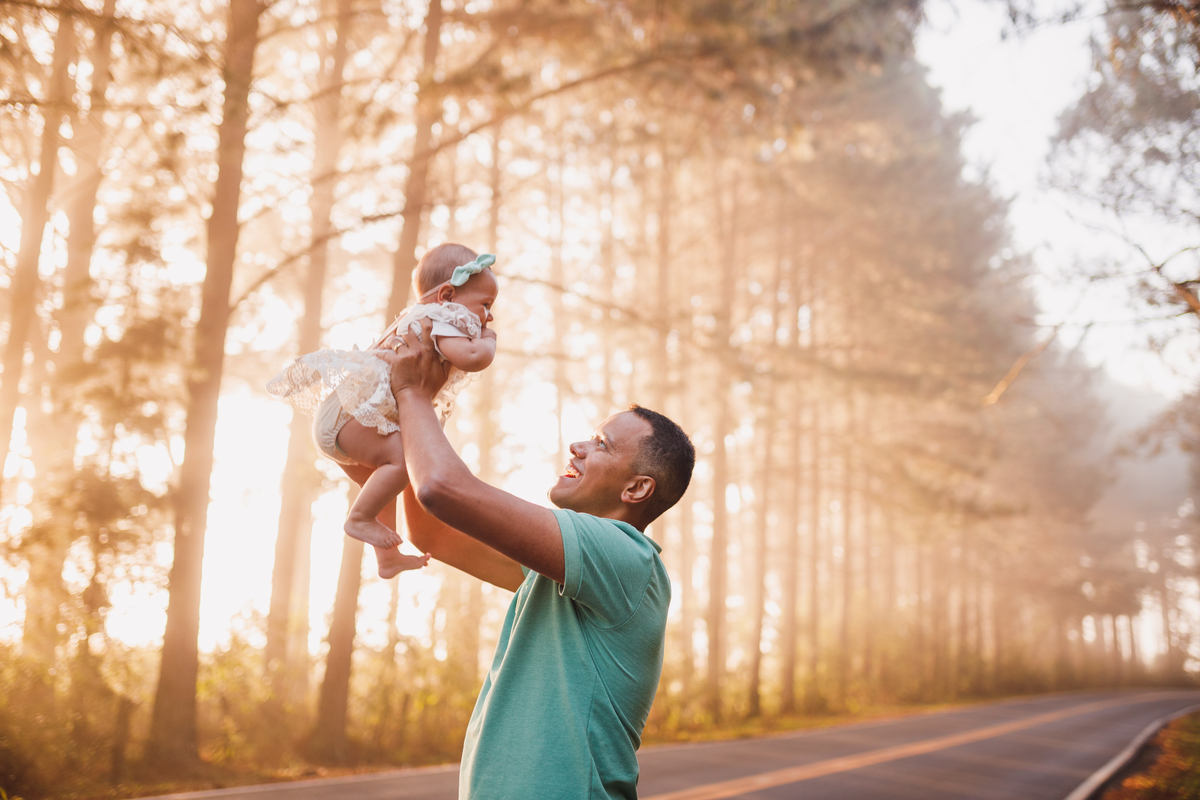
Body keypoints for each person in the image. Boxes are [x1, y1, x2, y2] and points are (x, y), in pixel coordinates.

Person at [375, 319, 695, 800]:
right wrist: (409, 412)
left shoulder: (626, 556)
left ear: (636, 489)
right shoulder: (562, 573)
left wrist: (414, 397)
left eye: (601, 445)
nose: (578, 446)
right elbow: (432, 532)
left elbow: (442, 490)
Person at [267, 243, 499, 578]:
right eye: (486, 304)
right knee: (404, 459)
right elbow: (473, 358)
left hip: (347, 416)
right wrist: (489, 341)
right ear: (447, 294)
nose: (489, 317)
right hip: (351, 418)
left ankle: (386, 558)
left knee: (386, 481)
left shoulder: (418, 316)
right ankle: (358, 518)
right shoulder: (443, 316)